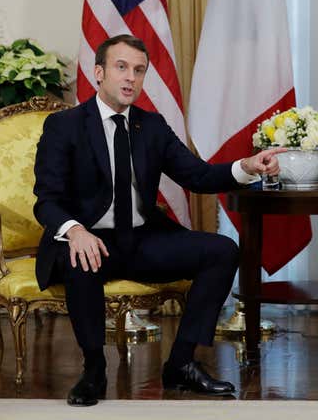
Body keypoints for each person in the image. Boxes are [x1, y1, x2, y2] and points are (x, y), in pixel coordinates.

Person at [33, 34, 283, 407]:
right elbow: (47, 201)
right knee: (78, 258)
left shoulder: (151, 126)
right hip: (90, 240)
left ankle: (181, 364)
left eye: (138, 70)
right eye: (121, 68)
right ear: (99, 72)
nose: (130, 78)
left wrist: (245, 167)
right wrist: (75, 231)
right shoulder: (64, 126)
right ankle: (94, 369)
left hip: (140, 239)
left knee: (222, 250)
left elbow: (197, 176)